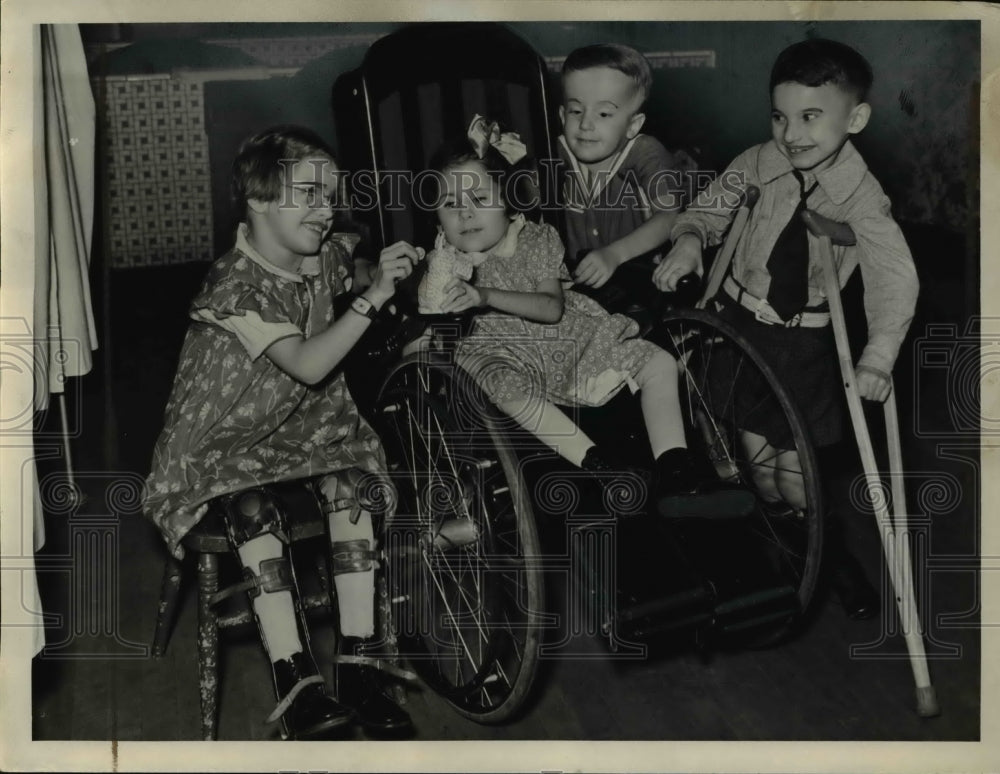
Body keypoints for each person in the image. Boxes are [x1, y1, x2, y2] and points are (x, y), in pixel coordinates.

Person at [143, 126, 423, 739]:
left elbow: (353, 263)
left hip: (304, 423)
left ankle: (359, 667)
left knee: (352, 488)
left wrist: (385, 269)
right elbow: (310, 363)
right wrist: (373, 299)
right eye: (310, 194)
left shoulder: (324, 252)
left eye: (332, 195)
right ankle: (295, 682)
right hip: (224, 440)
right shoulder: (232, 288)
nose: (326, 209)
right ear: (259, 198)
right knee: (252, 510)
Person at [653, 39, 919, 620]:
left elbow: (894, 279)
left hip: (801, 344)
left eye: (810, 117)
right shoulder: (755, 163)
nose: (791, 133)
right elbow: (706, 209)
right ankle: (789, 543)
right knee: (759, 472)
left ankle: (827, 555)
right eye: (780, 116)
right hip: (738, 327)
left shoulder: (863, 197)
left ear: (856, 118)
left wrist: (879, 355)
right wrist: (693, 239)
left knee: (793, 475)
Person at [420, 118, 754, 518]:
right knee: (501, 383)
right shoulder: (448, 261)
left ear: (507, 201)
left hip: (571, 343)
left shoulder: (534, 239)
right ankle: (601, 467)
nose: (465, 215)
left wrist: (484, 295)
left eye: (478, 199)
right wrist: (438, 270)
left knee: (658, 361)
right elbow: (431, 311)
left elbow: (551, 307)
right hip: (507, 355)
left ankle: (677, 470)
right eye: (450, 205)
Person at [557, 43, 683, 291]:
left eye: (603, 114)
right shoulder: (553, 152)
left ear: (633, 125)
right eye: (576, 110)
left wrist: (614, 254)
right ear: (562, 116)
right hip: (573, 284)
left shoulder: (646, 153)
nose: (585, 124)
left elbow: (670, 217)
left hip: (641, 282)